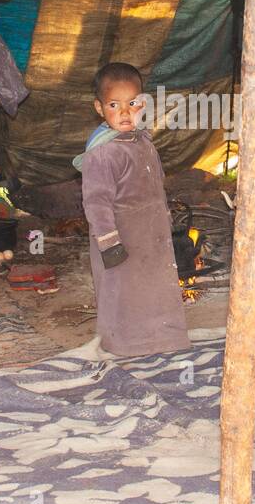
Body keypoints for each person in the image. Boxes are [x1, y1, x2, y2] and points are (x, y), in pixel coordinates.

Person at [75, 62, 190, 356]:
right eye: (114, 104)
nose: (125, 112)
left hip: (151, 232)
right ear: (99, 108)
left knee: (154, 286)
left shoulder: (142, 140)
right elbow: (96, 202)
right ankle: (124, 345)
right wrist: (109, 241)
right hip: (120, 235)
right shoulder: (103, 153)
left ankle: (161, 338)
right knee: (122, 291)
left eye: (133, 103)